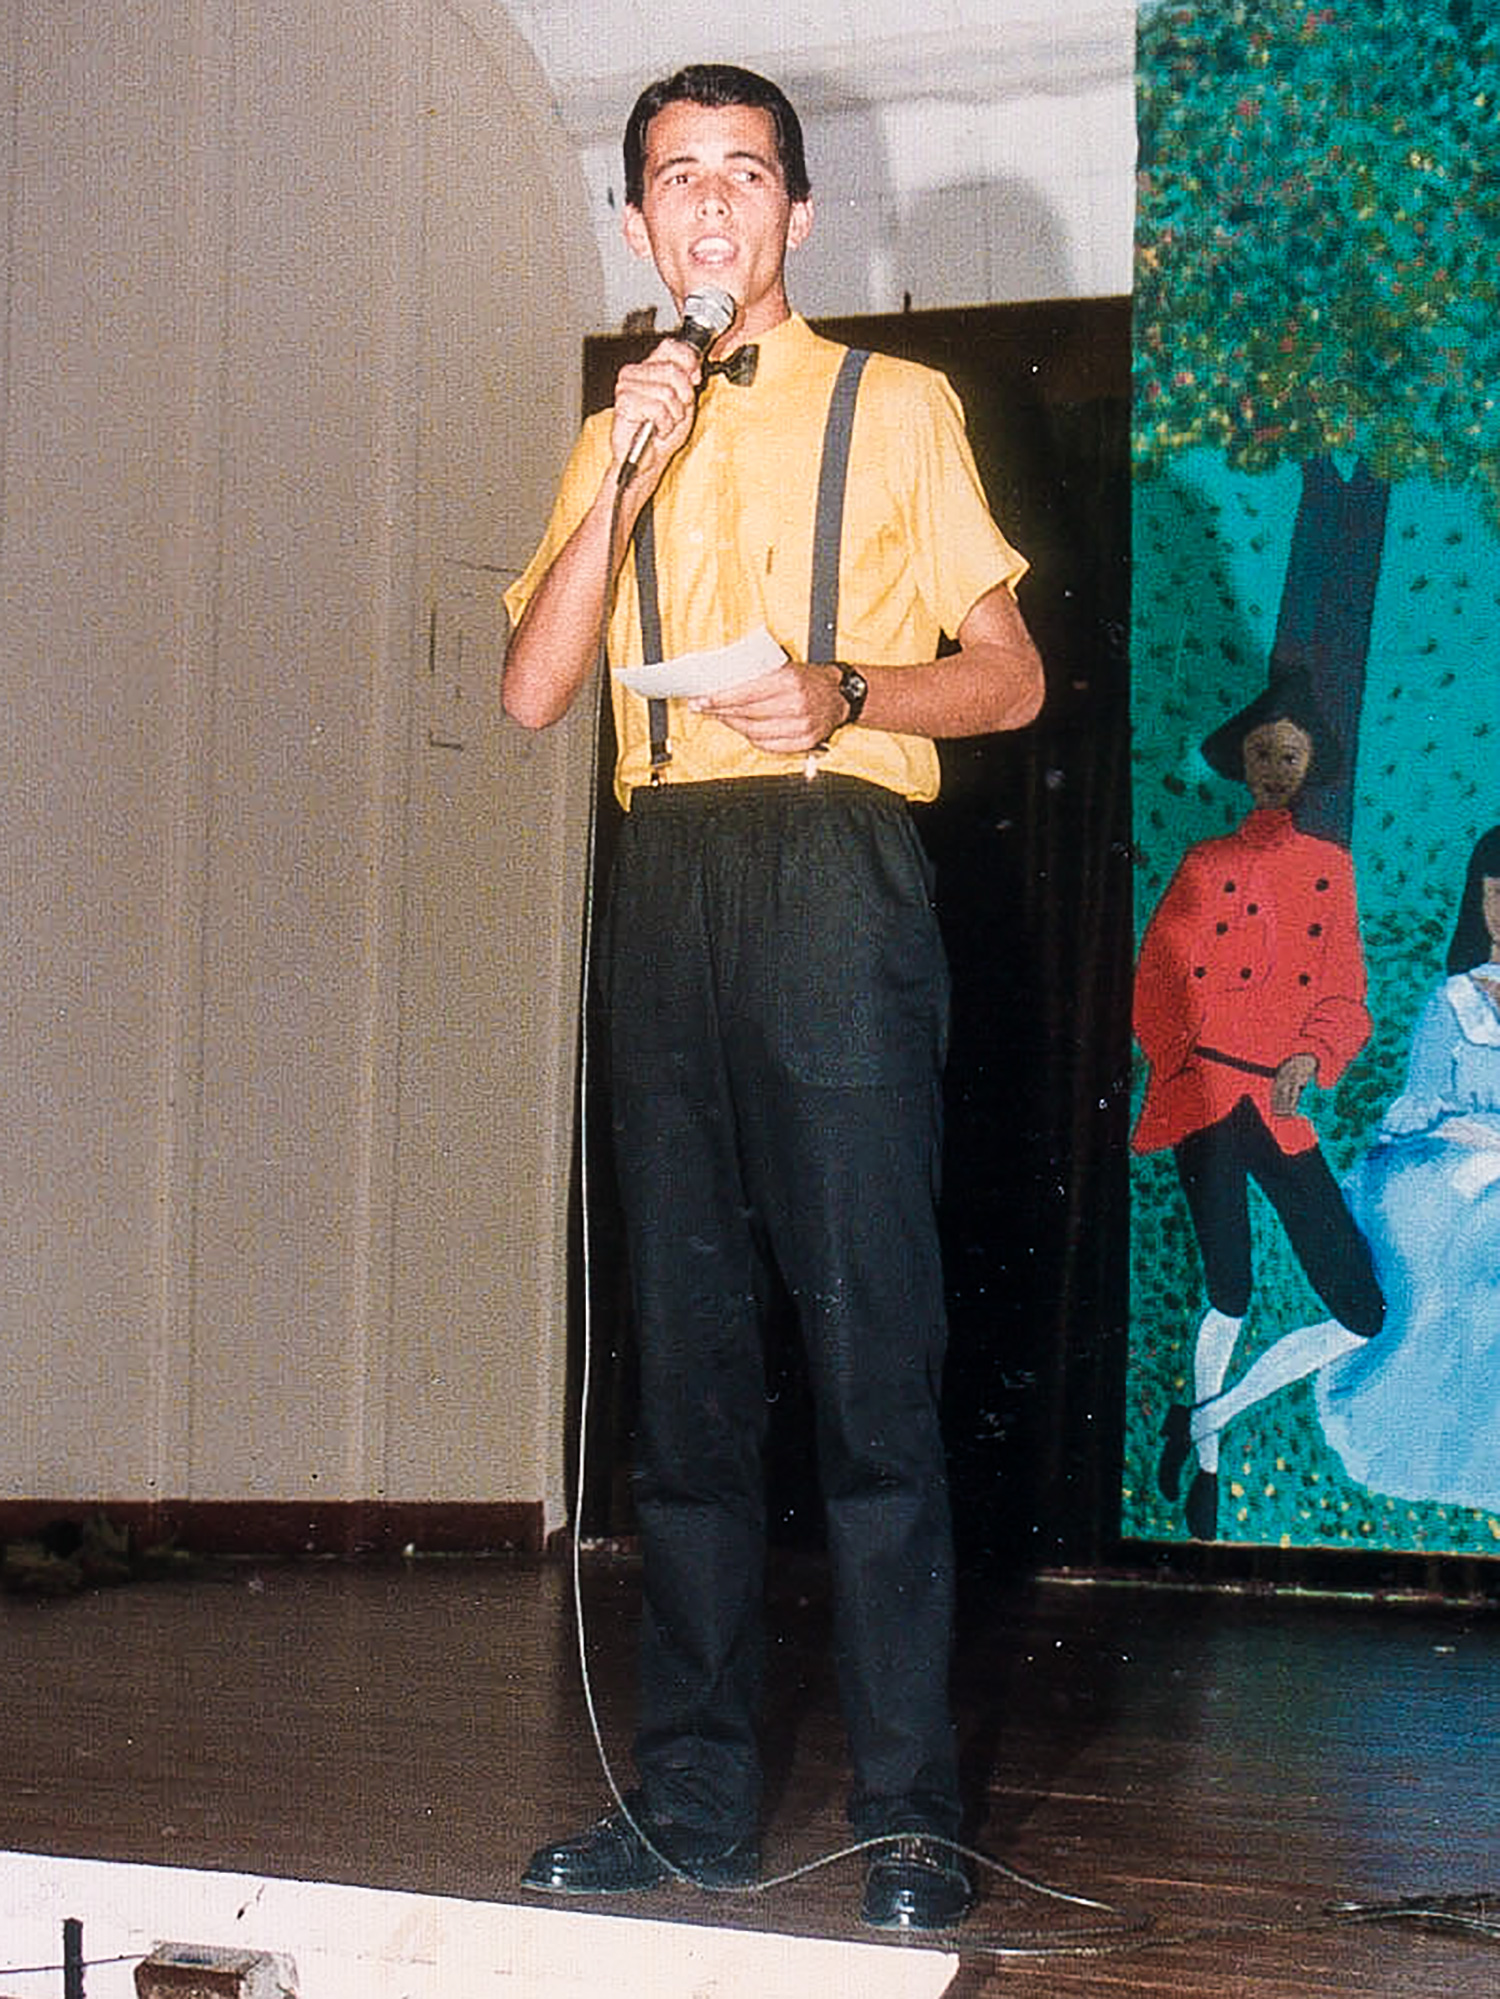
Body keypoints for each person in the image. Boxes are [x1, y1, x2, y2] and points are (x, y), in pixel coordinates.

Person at [501, 65, 1044, 1931]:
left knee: (872, 1358)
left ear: (799, 217)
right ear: (642, 227)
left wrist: (853, 695)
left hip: (832, 873)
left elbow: (1016, 673)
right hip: (666, 886)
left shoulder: (900, 407)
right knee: (690, 1368)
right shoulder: (614, 425)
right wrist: (621, 471)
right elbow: (531, 691)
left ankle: (908, 1811)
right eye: (678, 180)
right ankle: (696, 1798)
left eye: (747, 174)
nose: (713, 206)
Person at [1134, 673, 1385, 1541]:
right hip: (1202, 1096)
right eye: (1261, 752)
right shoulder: (1205, 863)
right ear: (1240, 763)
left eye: (1291, 752)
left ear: (1311, 763)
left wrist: (1313, 1054)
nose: (1275, 766)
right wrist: (1183, 1062)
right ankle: (1205, 1472)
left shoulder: (1330, 870)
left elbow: (1347, 993)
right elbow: (1157, 979)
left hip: (1279, 1103)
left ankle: (1204, 1419)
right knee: (1230, 1293)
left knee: (1360, 1310)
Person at [1307, 825, 1500, 1512]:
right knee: (1458, 1223)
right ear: (1478, 903)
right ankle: (1418, 1438)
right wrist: (1473, 1138)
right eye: (1495, 894)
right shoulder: (1453, 1003)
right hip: (1443, 1155)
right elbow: (1422, 1102)